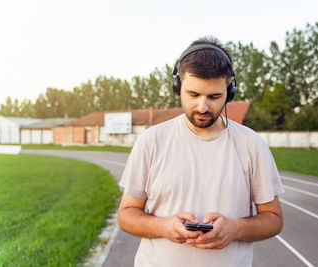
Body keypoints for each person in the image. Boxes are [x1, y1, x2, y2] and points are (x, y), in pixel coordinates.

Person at [117, 36, 284, 267]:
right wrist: (163, 226)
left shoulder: (252, 144)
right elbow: (126, 214)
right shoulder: (151, 141)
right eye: (193, 95)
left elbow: (273, 220)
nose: (203, 107)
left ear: (230, 91)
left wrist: (235, 229)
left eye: (214, 96)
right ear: (178, 87)